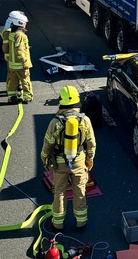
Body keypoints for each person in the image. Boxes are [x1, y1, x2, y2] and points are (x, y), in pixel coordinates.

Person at [40, 85, 97, 231]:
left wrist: (44, 159)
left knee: (59, 192)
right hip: (79, 161)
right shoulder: (85, 121)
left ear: (62, 102)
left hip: (60, 164)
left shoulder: (55, 122)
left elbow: (48, 144)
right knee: (79, 191)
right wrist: (90, 159)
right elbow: (91, 144)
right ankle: (81, 222)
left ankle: (57, 223)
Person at [2, 10, 32, 103]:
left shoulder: (11, 34)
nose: (25, 25)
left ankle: (11, 97)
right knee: (25, 81)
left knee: (12, 81)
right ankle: (27, 97)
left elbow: (6, 46)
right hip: (20, 65)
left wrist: (7, 55)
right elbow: (19, 50)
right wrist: (24, 61)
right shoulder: (21, 35)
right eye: (24, 23)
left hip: (12, 64)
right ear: (20, 23)